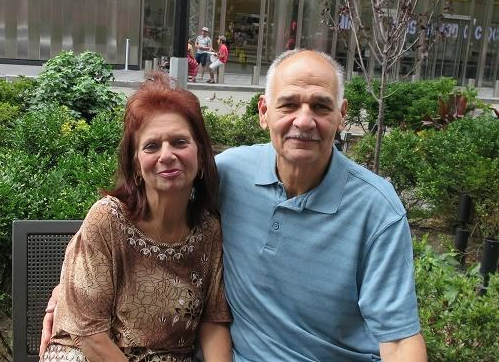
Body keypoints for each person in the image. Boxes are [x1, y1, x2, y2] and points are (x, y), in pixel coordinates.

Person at [42, 50, 426, 361]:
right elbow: (112, 232)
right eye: (289, 104)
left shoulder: (377, 210)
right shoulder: (232, 173)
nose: (304, 121)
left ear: (342, 115)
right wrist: (68, 295)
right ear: (264, 112)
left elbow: (399, 342)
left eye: (321, 107)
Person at [40, 73, 232, 361]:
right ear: (137, 167)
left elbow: (212, 321)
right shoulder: (107, 220)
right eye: (152, 146)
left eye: (180, 142)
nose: (167, 155)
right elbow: (91, 337)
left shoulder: (208, 230)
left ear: (201, 156)